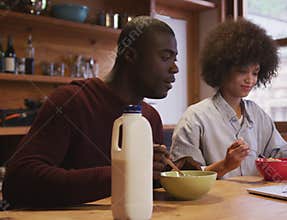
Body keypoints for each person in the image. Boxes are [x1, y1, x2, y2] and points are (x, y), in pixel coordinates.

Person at [2, 16, 179, 208]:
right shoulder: (72, 101)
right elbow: (19, 182)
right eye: (165, 57)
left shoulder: (150, 117)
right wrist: (124, 173)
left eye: (175, 59)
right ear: (130, 56)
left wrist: (172, 172)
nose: (175, 68)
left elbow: (143, 185)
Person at [170, 19, 287, 179]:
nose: (250, 80)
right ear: (222, 70)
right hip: (214, 203)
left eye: (255, 73)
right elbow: (183, 177)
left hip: (255, 202)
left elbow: (277, 151)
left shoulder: (258, 115)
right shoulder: (195, 118)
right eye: (242, 71)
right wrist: (225, 165)